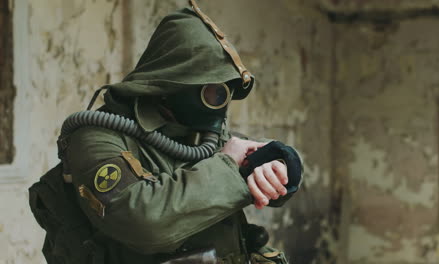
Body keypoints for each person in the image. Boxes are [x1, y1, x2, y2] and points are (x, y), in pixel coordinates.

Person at [29, 1, 302, 263]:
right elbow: (143, 222)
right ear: (174, 82)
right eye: (212, 92)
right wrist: (230, 164)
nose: (219, 105)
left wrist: (278, 163)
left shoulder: (199, 132)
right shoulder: (96, 136)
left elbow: (255, 153)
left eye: (225, 91)